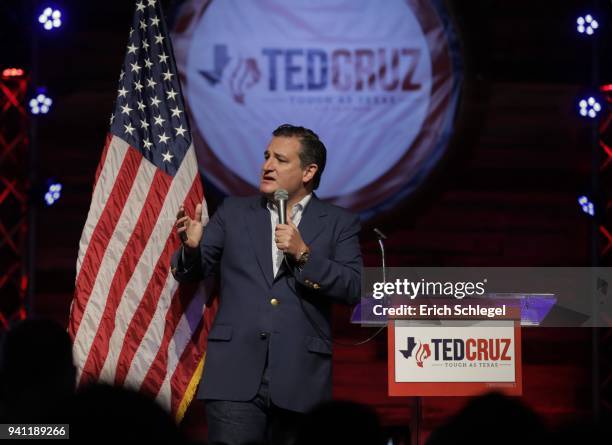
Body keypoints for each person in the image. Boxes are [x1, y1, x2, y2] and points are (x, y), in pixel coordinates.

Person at [171, 124, 362, 445]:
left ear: (308, 171)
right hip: (234, 377)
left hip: (301, 380)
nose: (267, 166)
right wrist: (191, 249)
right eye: (266, 157)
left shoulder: (339, 223)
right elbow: (192, 271)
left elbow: (355, 288)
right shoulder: (233, 211)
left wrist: (303, 254)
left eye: (280, 159)